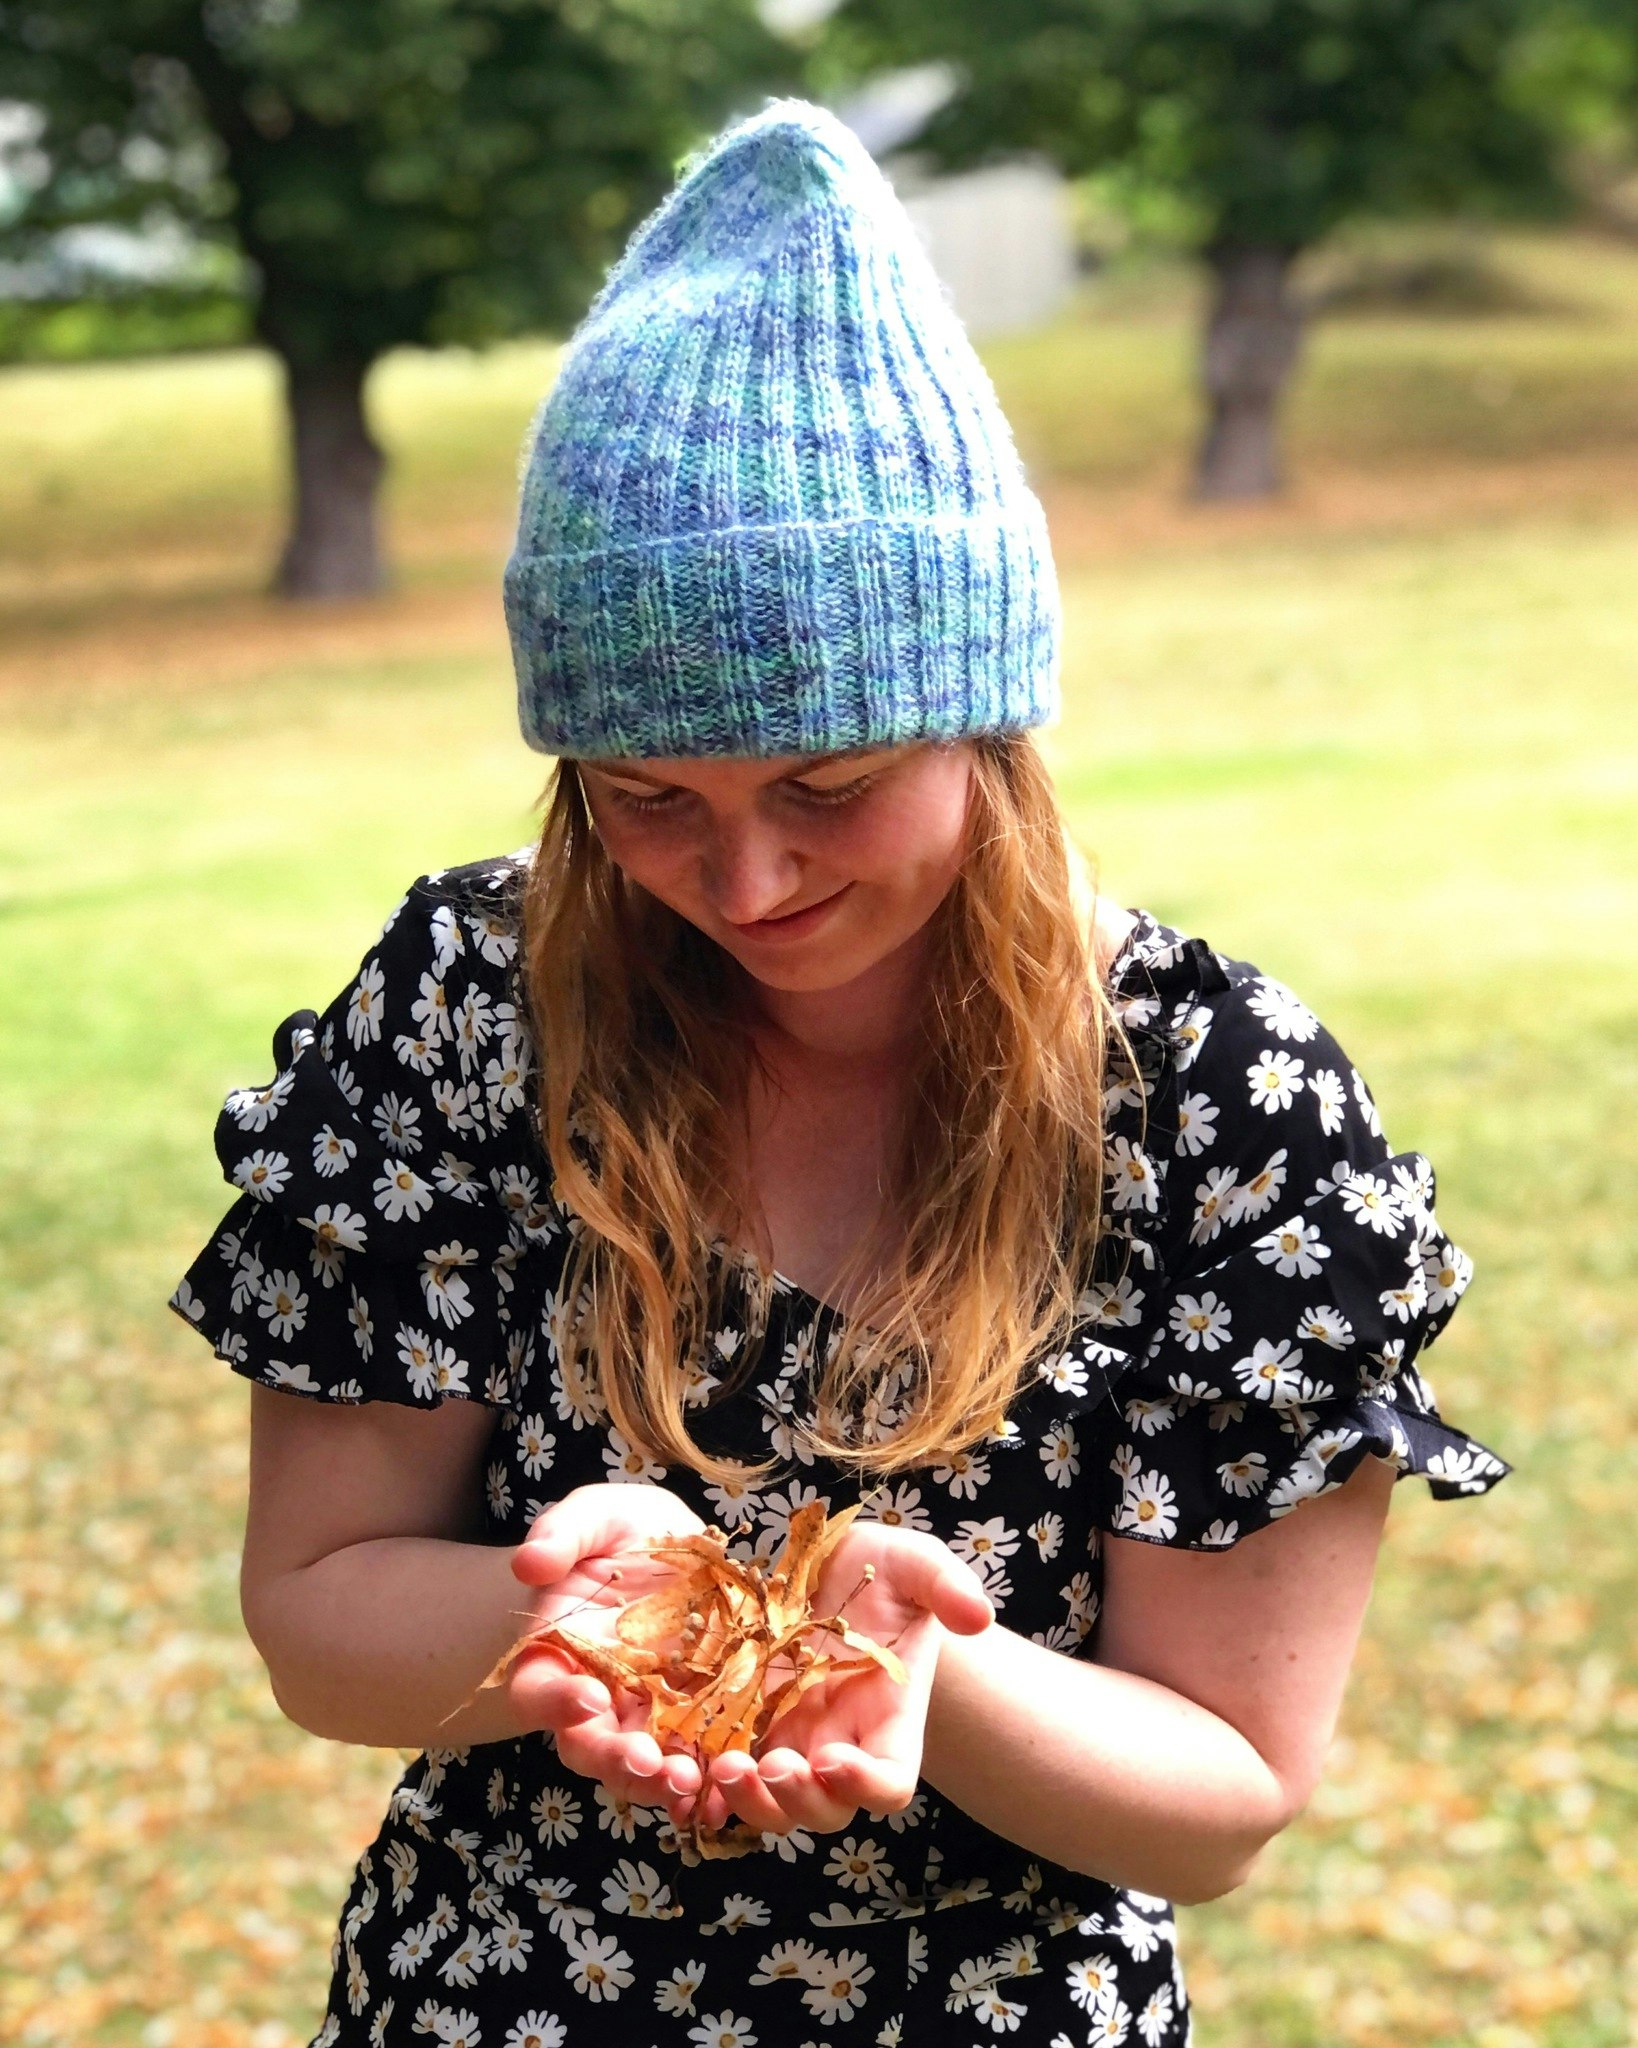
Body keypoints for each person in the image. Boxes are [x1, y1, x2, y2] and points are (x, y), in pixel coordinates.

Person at [169, 99, 1511, 2048]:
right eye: (648, 800)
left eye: (827, 787)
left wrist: (921, 1675)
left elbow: (1229, 1776)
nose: (746, 879)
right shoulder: (475, 1007)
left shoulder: (1226, 1108)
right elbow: (318, 1616)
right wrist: (578, 1613)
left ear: (982, 716)